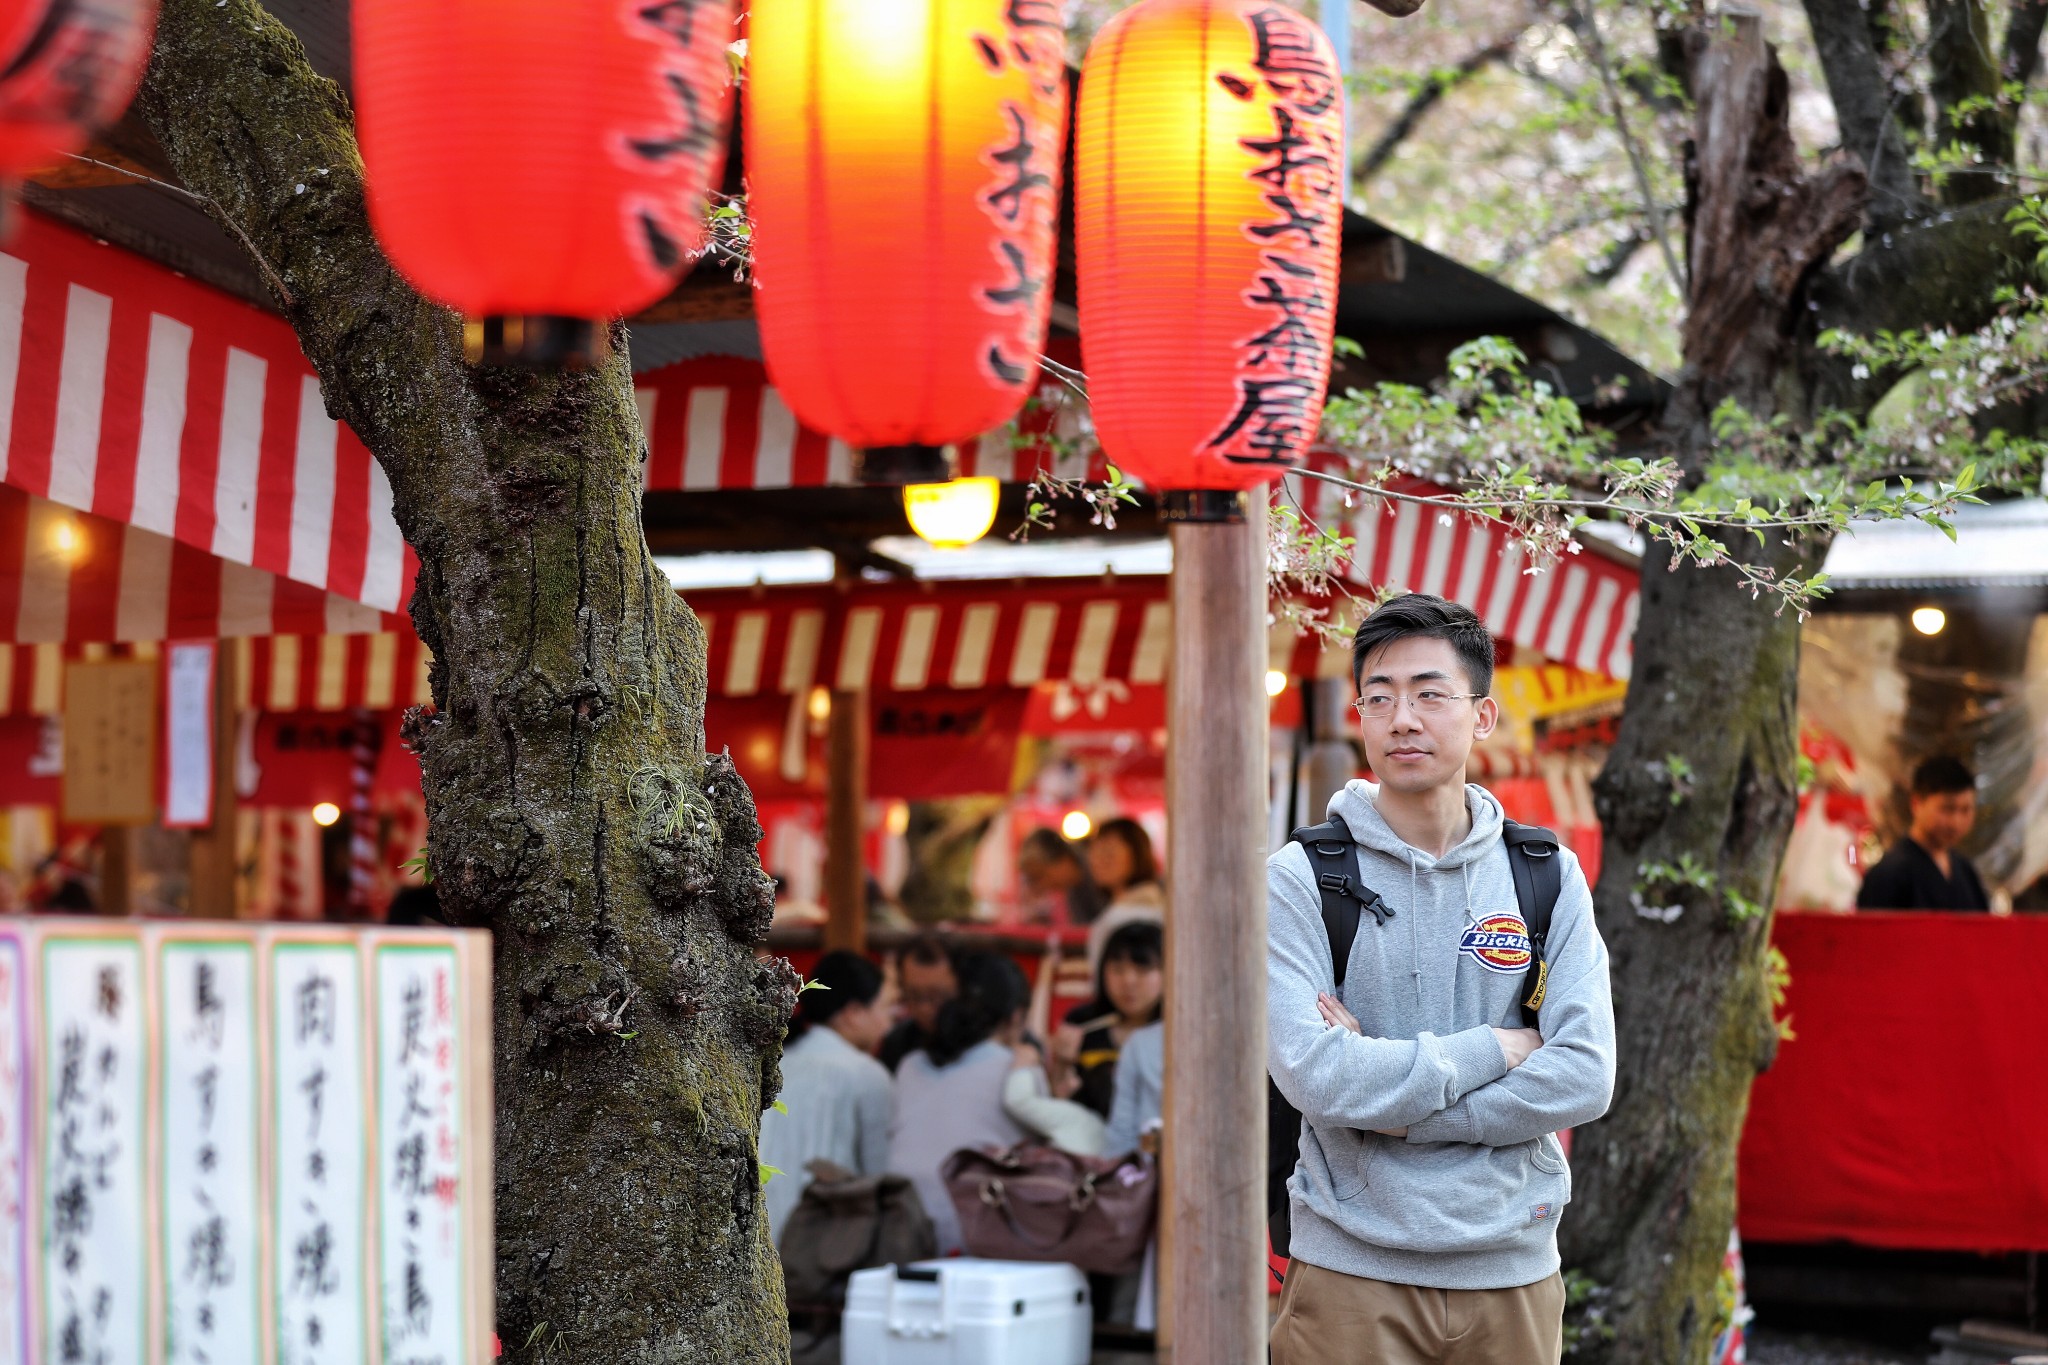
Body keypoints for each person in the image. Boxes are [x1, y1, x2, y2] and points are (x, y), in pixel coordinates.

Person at [1267, 592, 1616, 1365]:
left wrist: (1392, 1107)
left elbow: (1586, 1076)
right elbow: (1314, 1074)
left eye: (1430, 693)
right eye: (1380, 697)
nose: (1403, 718)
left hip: (1513, 1267)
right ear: (1358, 714)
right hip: (1352, 1267)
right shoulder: (1303, 877)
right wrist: (1497, 1046)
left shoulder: (1545, 874)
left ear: (1482, 715)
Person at [887, 951, 1033, 1255]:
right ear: (1016, 1016)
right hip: (980, 1238)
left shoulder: (908, 1065)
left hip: (900, 1230)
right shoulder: (1016, 1067)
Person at [757, 951, 896, 1243]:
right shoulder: (866, 1073)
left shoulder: (776, 1060)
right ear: (854, 1012)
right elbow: (881, 1176)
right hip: (826, 1242)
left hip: (759, 1235)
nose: (889, 1024)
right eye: (886, 1008)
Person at [1053, 920, 1164, 1118]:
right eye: (1118, 970)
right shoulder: (1082, 1023)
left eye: (1142, 970)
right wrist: (1060, 1064)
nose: (1128, 981)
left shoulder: (1174, 1033)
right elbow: (1058, 1100)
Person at [1855, 756, 1991, 912]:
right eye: (1947, 809)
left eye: (1966, 809)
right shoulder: (1888, 874)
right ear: (1916, 804)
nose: (1956, 822)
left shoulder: (1966, 872)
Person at [1083, 817, 1166, 974]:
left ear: (1137, 854)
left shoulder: (1138, 913)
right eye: (1094, 850)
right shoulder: (1151, 905)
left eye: (1108, 851)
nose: (1097, 859)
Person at [877, 934, 957, 1072]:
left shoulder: (981, 1048)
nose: (924, 1008)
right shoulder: (897, 1044)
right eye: (914, 996)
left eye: (936, 996)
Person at [1016, 827, 1104, 926]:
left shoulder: (1101, 873)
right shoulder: (1073, 891)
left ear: (1062, 859)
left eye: (1040, 875)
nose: (1043, 885)